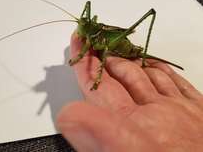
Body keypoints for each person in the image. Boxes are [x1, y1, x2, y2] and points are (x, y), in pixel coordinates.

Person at [56, 33, 203, 152]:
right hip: (111, 39)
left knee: (105, 48)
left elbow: (105, 48)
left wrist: (96, 75)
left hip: (119, 45)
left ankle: (142, 60)